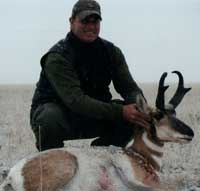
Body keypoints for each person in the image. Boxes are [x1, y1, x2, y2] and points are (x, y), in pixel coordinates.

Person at [30, 0, 150, 151]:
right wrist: (121, 112)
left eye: (95, 22)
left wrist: (142, 108)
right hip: (62, 117)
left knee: (133, 117)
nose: (91, 27)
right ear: (71, 21)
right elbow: (76, 101)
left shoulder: (111, 52)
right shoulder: (58, 57)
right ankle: (50, 162)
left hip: (95, 114)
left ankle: (103, 157)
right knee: (48, 117)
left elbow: (129, 88)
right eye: (85, 21)